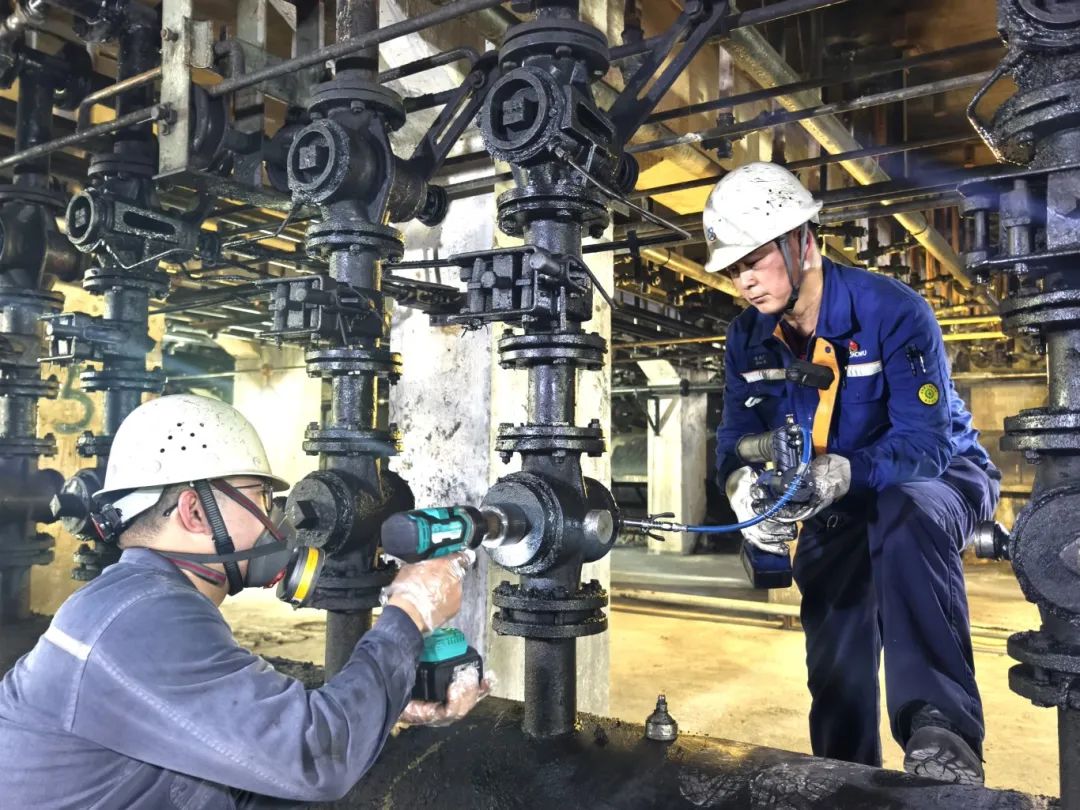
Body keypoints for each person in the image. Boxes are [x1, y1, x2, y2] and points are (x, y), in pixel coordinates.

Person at [0, 393, 487, 808]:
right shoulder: (141, 621)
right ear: (194, 511)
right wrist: (410, 610)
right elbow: (313, 757)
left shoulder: (135, 602)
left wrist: (388, 710)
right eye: (259, 497)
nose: (276, 519)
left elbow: (250, 758)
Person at [704, 162, 1001, 784]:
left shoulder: (890, 310)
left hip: (938, 476)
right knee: (833, 629)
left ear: (803, 242)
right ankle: (844, 772)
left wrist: (843, 471)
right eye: (733, 269)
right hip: (831, 494)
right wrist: (742, 494)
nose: (745, 280)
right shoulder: (746, 337)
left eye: (754, 260)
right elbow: (734, 440)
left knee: (902, 514)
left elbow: (925, 444)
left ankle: (941, 730)